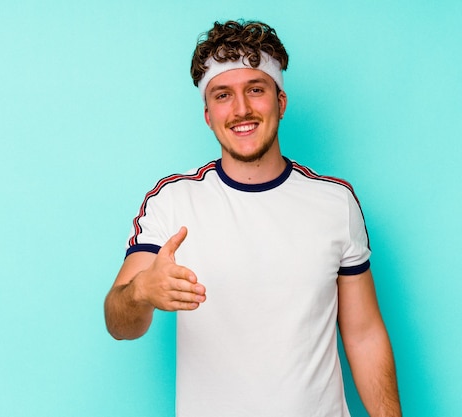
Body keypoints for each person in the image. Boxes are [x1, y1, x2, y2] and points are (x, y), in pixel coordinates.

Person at [104, 20, 402, 417]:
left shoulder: (335, 202)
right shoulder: (172, 202)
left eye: (255, 90)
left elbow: (364, 334)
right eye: (223, 95)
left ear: (280, 101)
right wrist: (143, 290)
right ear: (208, 114)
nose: (241, 109)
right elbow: (120, 323)